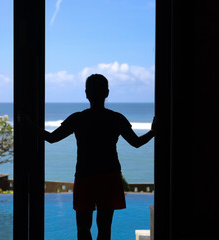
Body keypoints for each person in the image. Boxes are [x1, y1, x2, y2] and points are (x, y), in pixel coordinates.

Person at [20, 74, 156, 240]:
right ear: (107, 93)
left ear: (86, 93)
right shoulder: (116, 118)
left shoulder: (78, 118)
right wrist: (153, 131)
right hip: (109, 176)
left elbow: (51, 138)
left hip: (85, 176)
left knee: (83, 229)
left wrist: (28, 124)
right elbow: (137, 142)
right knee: (105, 229)